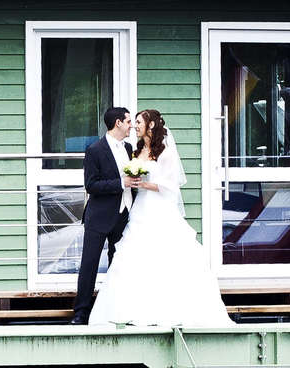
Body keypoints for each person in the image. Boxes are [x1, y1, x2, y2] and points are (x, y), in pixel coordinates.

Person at [88, 109, 233, 327]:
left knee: (164, 257)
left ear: (151, 125)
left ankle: (168, 309)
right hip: (140, 210)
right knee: (134, 257)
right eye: (132, 122)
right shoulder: (136, 151)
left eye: (138, 122)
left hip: (159, 209)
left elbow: (170, 186)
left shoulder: (165, 152)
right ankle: (129, 309)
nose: (135, 126)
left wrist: (143, 184)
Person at [71, 107, 139, 325]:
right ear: (118, 123)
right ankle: (81, 312)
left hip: (124, 213)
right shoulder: (95, 150)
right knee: (89, 264)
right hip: (99, 216)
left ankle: (114, 310)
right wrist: (121, 183)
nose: (131, 126)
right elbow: (91, 185)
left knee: (118, 263)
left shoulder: (129, 148)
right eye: (128, 121)